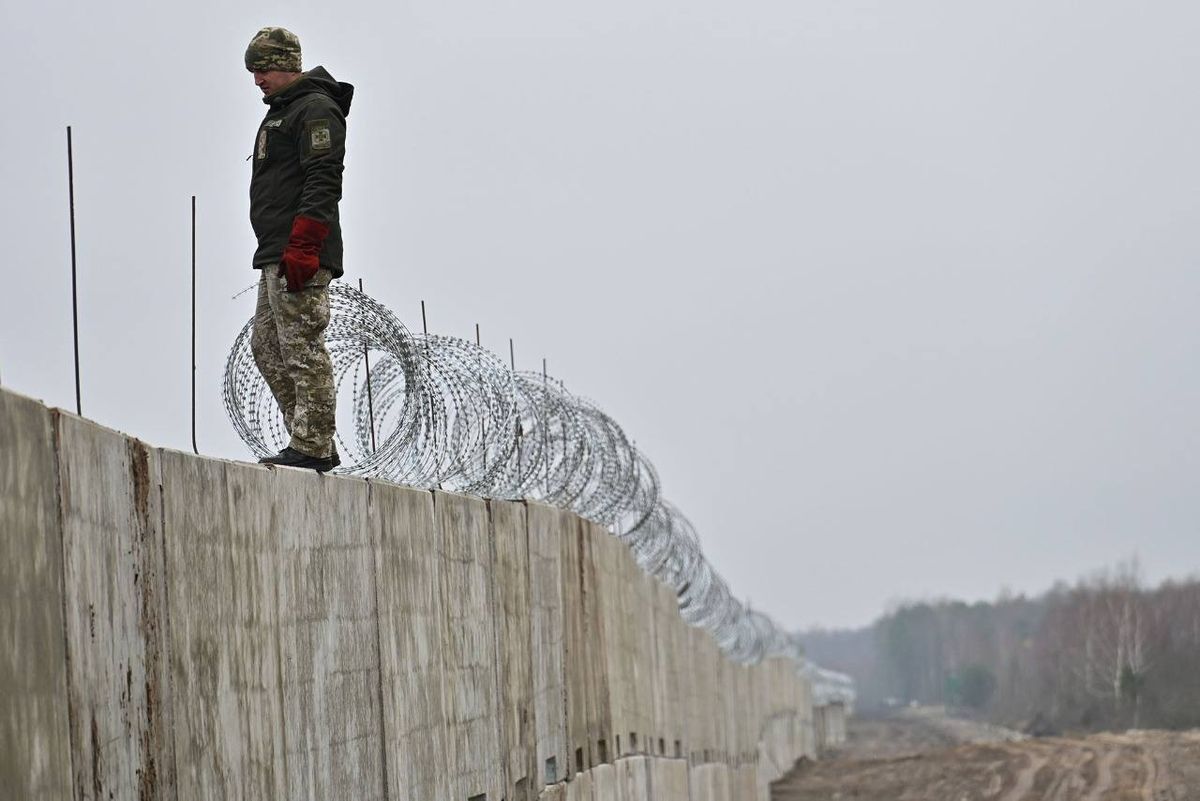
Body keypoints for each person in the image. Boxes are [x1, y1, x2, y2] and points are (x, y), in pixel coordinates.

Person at [244, 27, 353, 472]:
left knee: (302, 346)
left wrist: (305, 243)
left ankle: (311, 445)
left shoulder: (315, 109)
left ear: (287, 64)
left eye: (263, 69)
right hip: (276, 250)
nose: (257, 79)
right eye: (253, 71)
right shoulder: (282, 112)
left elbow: (324, 177)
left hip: (300, 249)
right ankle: (309, 439)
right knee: (267, 344)